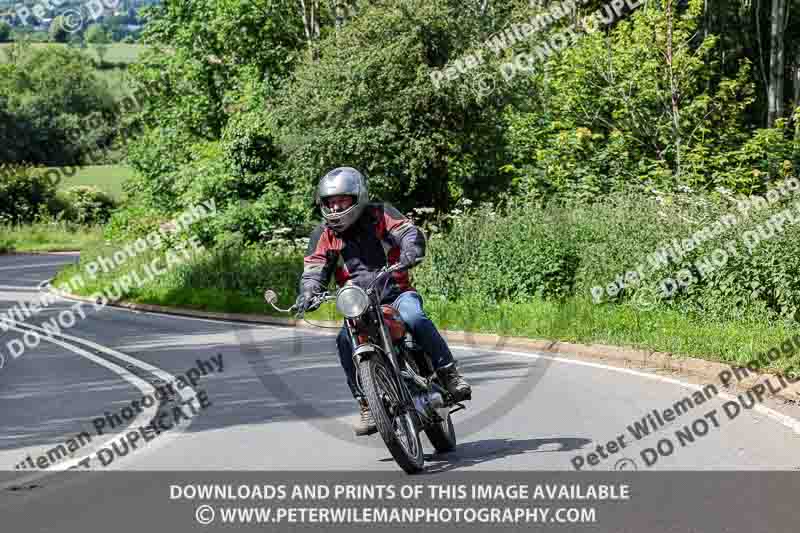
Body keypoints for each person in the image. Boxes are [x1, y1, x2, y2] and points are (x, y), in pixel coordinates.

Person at [296, 167, 472, 436]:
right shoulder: (323, 235)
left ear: (358, 198)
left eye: (342, 201)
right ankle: (366, 403)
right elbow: (314, 268)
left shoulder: (380, 214)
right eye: (330, 202)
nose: (335, 208)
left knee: (414, 317)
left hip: (396, 294)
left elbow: (407, 231)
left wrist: (412, 248)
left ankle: (449, 374)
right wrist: (308, 292)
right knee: (344, 341)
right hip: (357, 305)